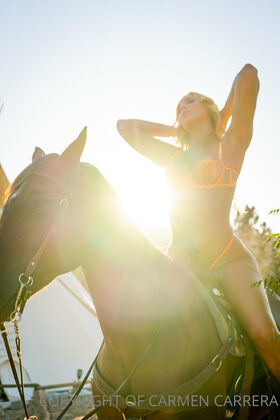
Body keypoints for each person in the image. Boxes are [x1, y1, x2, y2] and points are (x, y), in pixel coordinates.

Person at [116, 63, 280, 382]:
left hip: (229, 259)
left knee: (264, 334)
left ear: (208, 107)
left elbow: (248, 74)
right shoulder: (173, 157)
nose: (182, 107)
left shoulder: (231, 146)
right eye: (179, 107)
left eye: (190, 101)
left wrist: (221, 115)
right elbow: (124, 126)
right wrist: (175, 127)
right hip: (180, 267)